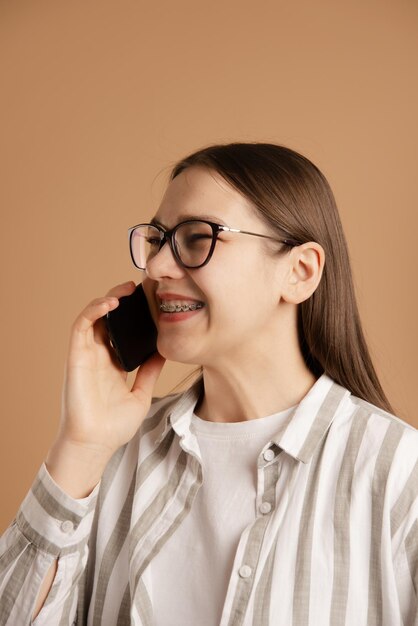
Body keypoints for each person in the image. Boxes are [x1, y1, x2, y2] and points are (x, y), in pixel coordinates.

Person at [0, 143, 417, 626]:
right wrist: (79, 447)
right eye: (157, 240)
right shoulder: (112, 456)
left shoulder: (395, 473)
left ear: (300, 272)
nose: (156, 267)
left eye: (198, 237)